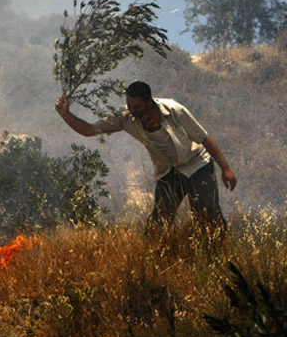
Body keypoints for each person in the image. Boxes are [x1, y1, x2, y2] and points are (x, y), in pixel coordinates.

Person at [54, 81, 237, 233]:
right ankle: (154, 257)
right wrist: (65, 114)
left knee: (206, 213)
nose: (132, 110)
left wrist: (226, 169)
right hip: (169, 171)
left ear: (149, 102)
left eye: (137, 106)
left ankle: (218, 251)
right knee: (159, 221)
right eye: (129, 105)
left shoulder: (173, 110)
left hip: (197, 164)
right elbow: (88, 130)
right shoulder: (125, 117)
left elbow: (203, 137)